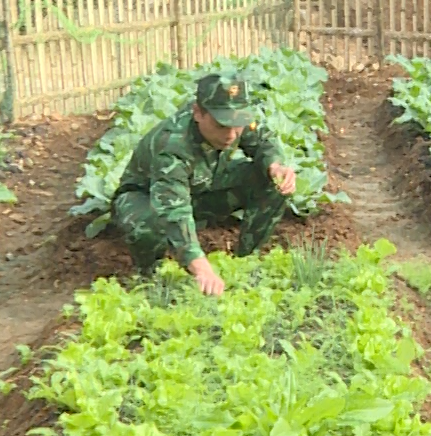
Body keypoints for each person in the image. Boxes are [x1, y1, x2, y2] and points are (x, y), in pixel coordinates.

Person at [108, 70, 298, 297]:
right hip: (148, 197)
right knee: (149, 224)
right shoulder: (172, 146)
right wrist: (201, 267)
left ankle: (246, 258)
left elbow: (264, 140)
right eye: (221, 125)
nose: (231, 134)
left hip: (202, 187)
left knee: (273, 181)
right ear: (198, 113)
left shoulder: (236, 117)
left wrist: (275, 165)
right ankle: (151, 276)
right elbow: (172, 211)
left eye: (237, 125)